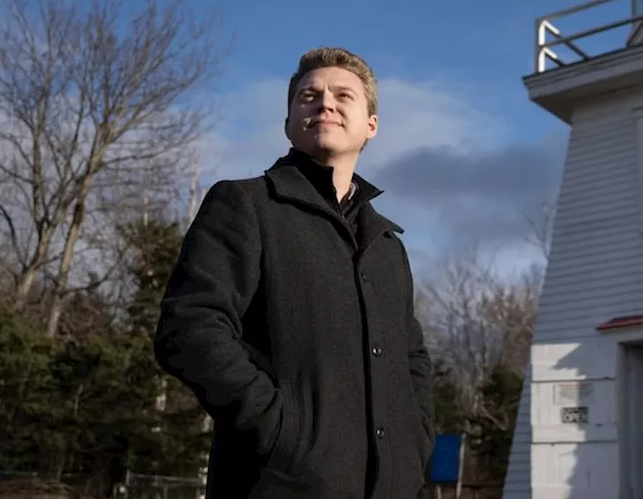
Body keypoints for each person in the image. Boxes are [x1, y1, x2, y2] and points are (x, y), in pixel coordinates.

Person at [154, 47, 435, 498]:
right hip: (277, 485)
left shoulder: (388, 247)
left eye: (344, 95)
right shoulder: (245, 205)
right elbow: (190, 328)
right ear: (288, 122)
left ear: (371, 126)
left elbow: (412, 360)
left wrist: (414, 447)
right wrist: (281, 432)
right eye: (309, 95)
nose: (325, 103)